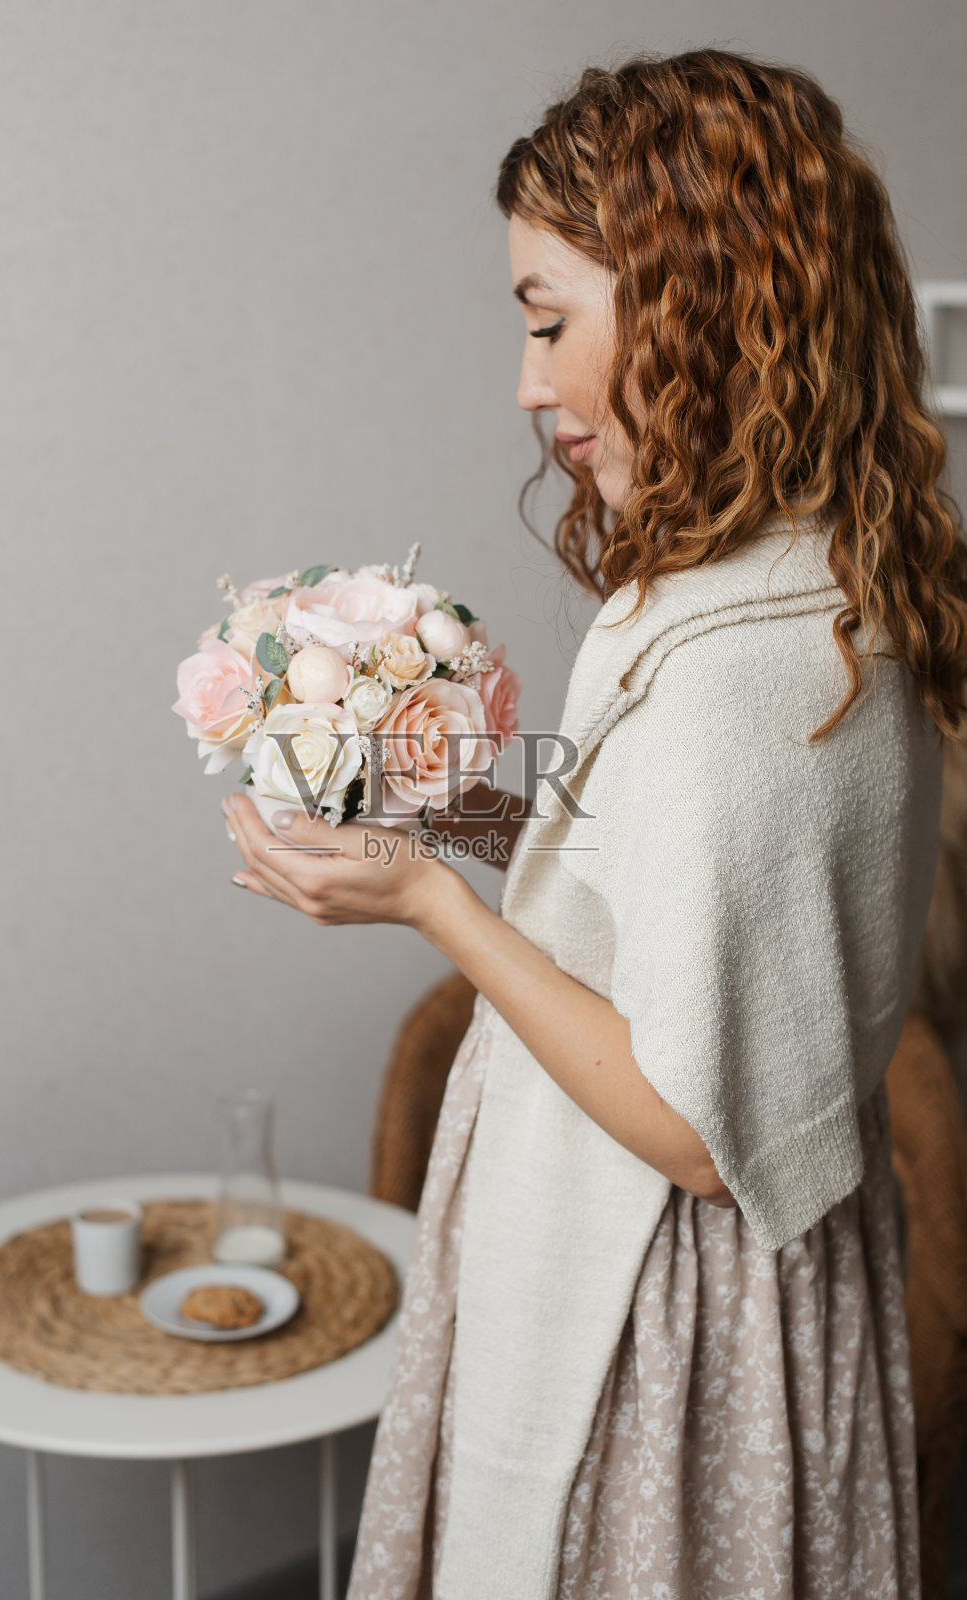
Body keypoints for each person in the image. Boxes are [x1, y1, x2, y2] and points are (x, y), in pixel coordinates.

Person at [223, 47, 967, 1600]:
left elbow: (695, 1126)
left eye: (552, 321)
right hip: (726, 1286)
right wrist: (442, 799)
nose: (526, 382)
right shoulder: (783, 583)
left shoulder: (738, 685)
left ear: (702, 300)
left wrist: (432, 902)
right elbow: (638, 876)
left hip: (658, 1315)